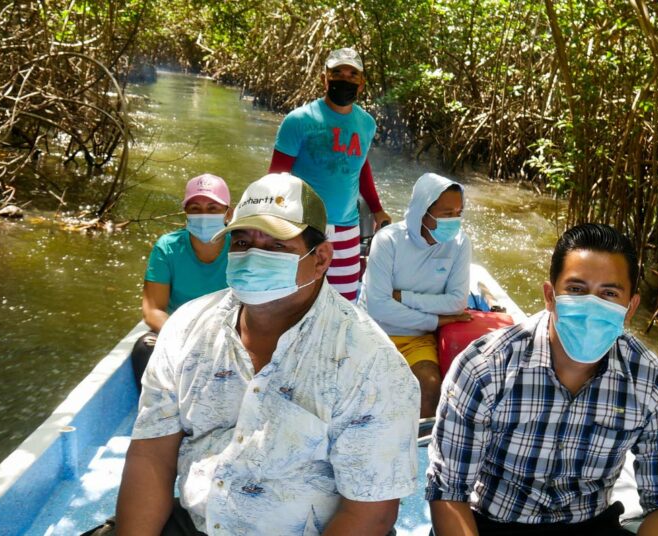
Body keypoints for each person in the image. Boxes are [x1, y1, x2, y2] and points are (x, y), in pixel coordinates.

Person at [114, 173, 420, 535]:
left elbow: (370, 513)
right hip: (196, 522)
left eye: (275, 246)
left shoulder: (371, 363)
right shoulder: (187, 329)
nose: (252, 257)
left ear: (321, 259)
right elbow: (152, 456)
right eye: (242, 242)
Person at [426, 223, 658, 536]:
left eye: (609, 294)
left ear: (630, 307)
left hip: (589, 524)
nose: (592, 307)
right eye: (576, 290)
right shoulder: (485, 369)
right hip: (490, 522)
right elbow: (448, 491)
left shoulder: (653, 384)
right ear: (550, 296)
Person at [269, 47, 391, 302]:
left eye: (351, 74)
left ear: (361, 83)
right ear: (324, 78)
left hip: (347, 228)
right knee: (295, 297)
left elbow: (361, 167)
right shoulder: (298, 120)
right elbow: (276, 177)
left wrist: (377, 209)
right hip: (304, 223)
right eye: (337, 73)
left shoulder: (367, 124)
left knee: (343, 300)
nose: (344, 79)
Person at [359, 172, 472, 418]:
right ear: (423, 211)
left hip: (418, 339)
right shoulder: (388, 240)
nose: (454, 221)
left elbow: (456, 302)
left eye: (458, 214)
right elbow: (378, 308)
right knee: (363, 393)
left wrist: (405, 297)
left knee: (430, 388)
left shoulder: (460, 243)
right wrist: (435, 321)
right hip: (373, 331)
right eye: (446, 214)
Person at [130, 173, 232, 389]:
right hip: (178, 332)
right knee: (144, 349)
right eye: (195, 208)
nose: (204, 215)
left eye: (213, 208)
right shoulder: (167, 248)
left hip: (227, 334)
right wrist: (187, 339)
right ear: (186, 213)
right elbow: (153, 311)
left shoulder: (242, 247)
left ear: (228, 213)